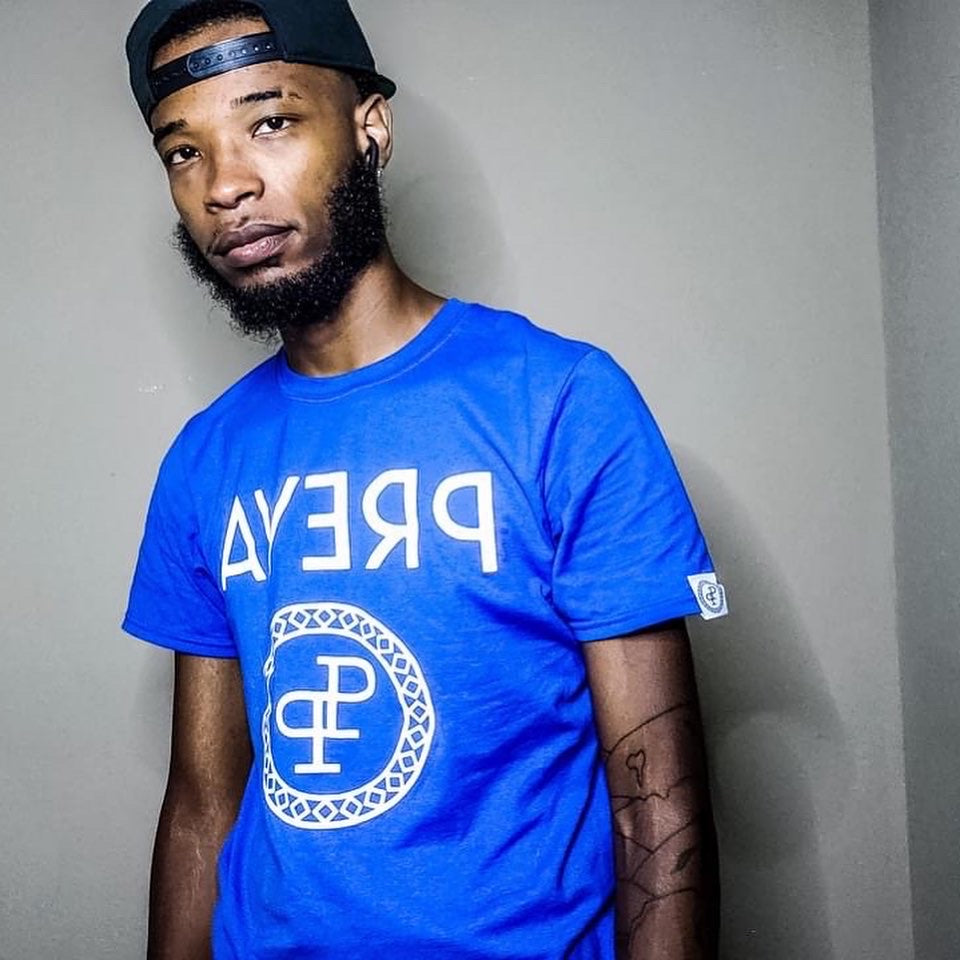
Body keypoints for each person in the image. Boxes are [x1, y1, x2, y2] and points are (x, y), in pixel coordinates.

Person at [122, 1, 728, 957]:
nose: (225, 185)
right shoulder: (206, 457)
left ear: (370, 128)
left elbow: (657, 802)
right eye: (182, 151)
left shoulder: (560, 401)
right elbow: (202, 805)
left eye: (269, 121)